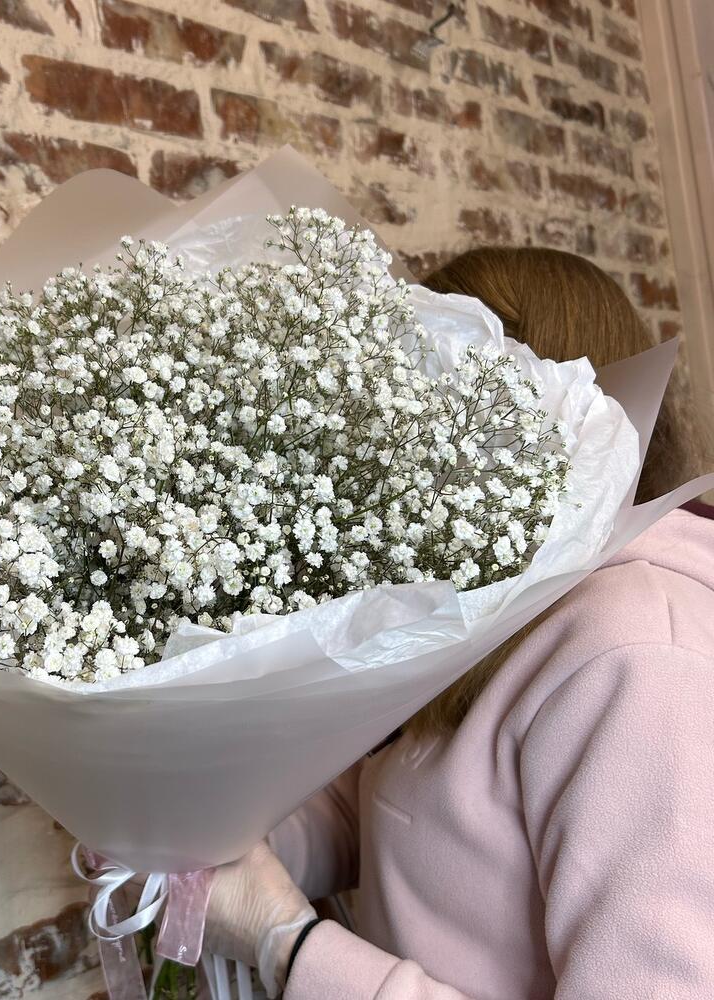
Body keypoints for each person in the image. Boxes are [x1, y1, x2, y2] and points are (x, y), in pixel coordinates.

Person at [201, 247, 714, 1000]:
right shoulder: (498, 600)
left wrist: (288, 945)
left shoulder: (635, 656)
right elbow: (400, 806)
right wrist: (219, 848)